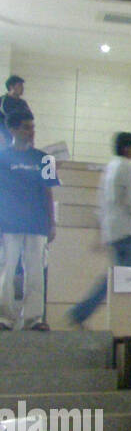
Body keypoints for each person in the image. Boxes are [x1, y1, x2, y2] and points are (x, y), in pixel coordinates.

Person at [69, 132, 131, 328]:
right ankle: (89, 315)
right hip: (125, 232)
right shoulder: (127, 169)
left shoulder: (111, 167)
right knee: (123, 280)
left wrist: (100, 233)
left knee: (116, 278)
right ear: (126, 148)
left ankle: (83, 313)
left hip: (112, 230)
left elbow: (102, 204)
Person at [0, 110, 57, 330]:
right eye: (26, 127)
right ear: (13, 129)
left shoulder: (45, 159)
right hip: (8, 223)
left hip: (37, 224)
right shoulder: (2, 157)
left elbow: (49, 192)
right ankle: (5, 317)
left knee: (35, 271)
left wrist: (52, 222)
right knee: (7, 269)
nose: (31, 132)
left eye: (32, 127)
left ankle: (34, 318)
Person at [0, 76, 31, 146]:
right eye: (19, 86)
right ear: (11, 87)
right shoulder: (2, 101)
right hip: (5, 136)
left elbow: (28, 119)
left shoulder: (22, 103)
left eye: (22, 86)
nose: (22, 88)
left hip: (20, 137)